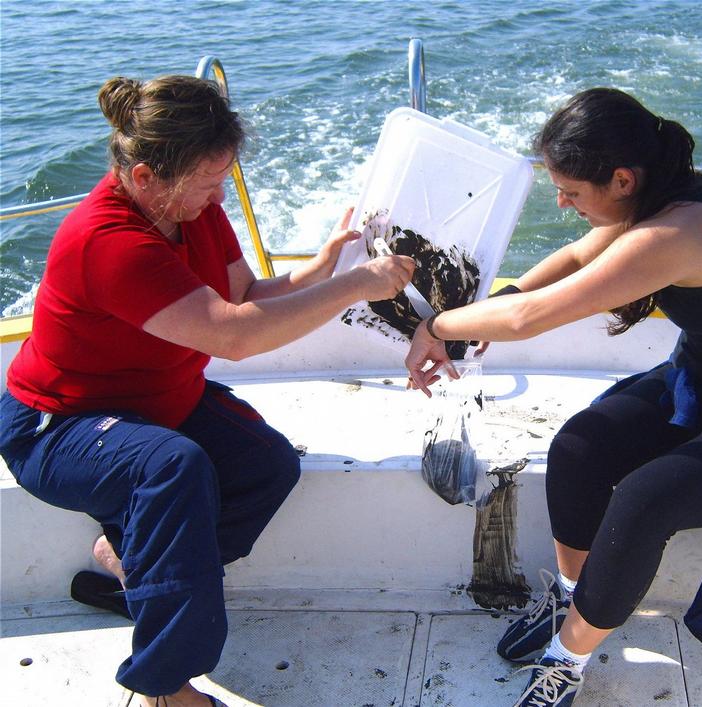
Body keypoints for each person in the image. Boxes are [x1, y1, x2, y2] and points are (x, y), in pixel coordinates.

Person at [0, 75, 414, 707]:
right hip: (57, 425)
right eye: (207, 182)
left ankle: (140, 570)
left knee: (266, 465)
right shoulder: (107, 242)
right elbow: (235, 336)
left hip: (152, 403)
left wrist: (322, 270)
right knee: (173, 467)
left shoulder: (193, 210)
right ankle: (166, 682)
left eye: (222, 179)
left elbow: (245, 297)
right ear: (145, 178)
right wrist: (358, 286)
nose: (220, 195)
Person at [404, 87, 702, 707]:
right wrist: (487, 305)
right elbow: (567, 261)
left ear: (621, 179)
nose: (561, 203)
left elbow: (532, 317)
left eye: (571, 191)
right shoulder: (656, 198)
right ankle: (573, 592)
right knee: (579, 447)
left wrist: (436, 328)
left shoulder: (679, 230)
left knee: (643, 502)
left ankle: (570, 655)